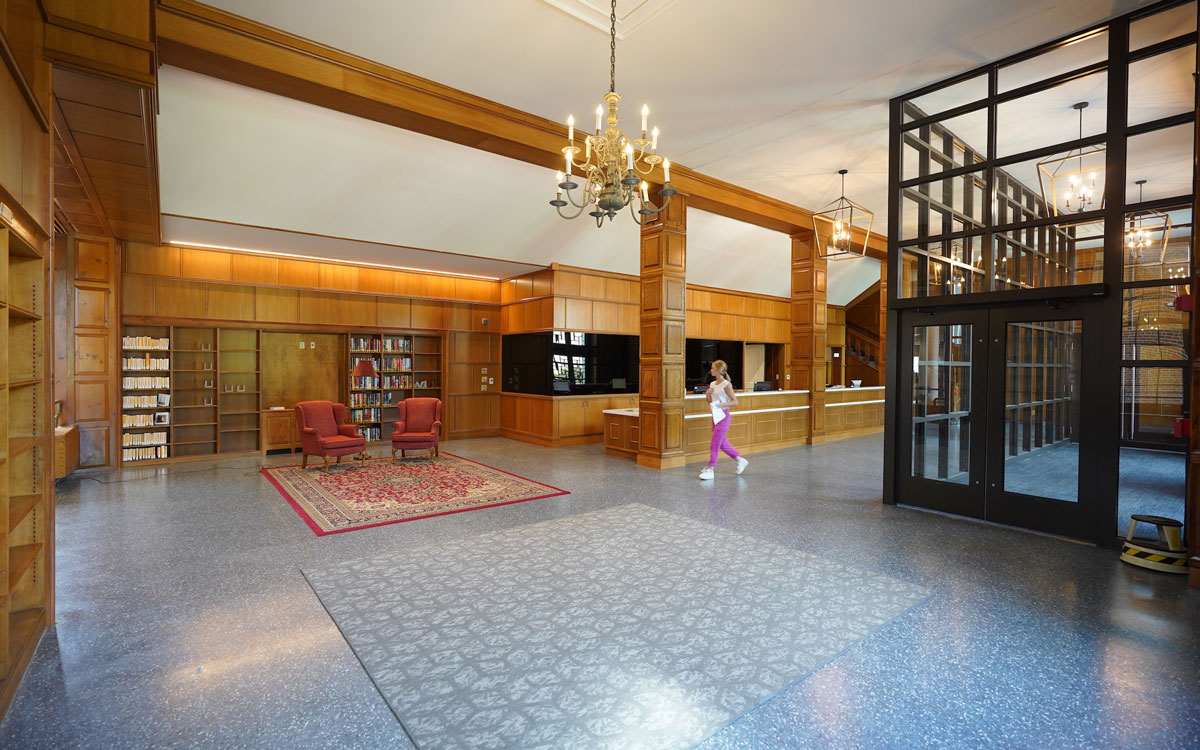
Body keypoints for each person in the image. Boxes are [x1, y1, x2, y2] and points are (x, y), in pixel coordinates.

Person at [699, 359, 748, 480]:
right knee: (722, 443)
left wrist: (723, 405)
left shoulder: (726, 385)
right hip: (715, 416)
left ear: (719, 370)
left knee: (715, 442)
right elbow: (709, 402)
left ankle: (711, 468)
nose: (711, 370)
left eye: (713, 368)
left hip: (724, 417)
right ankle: (740, 460)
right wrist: (708, 395)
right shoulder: (712, 384)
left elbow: (735, 402)